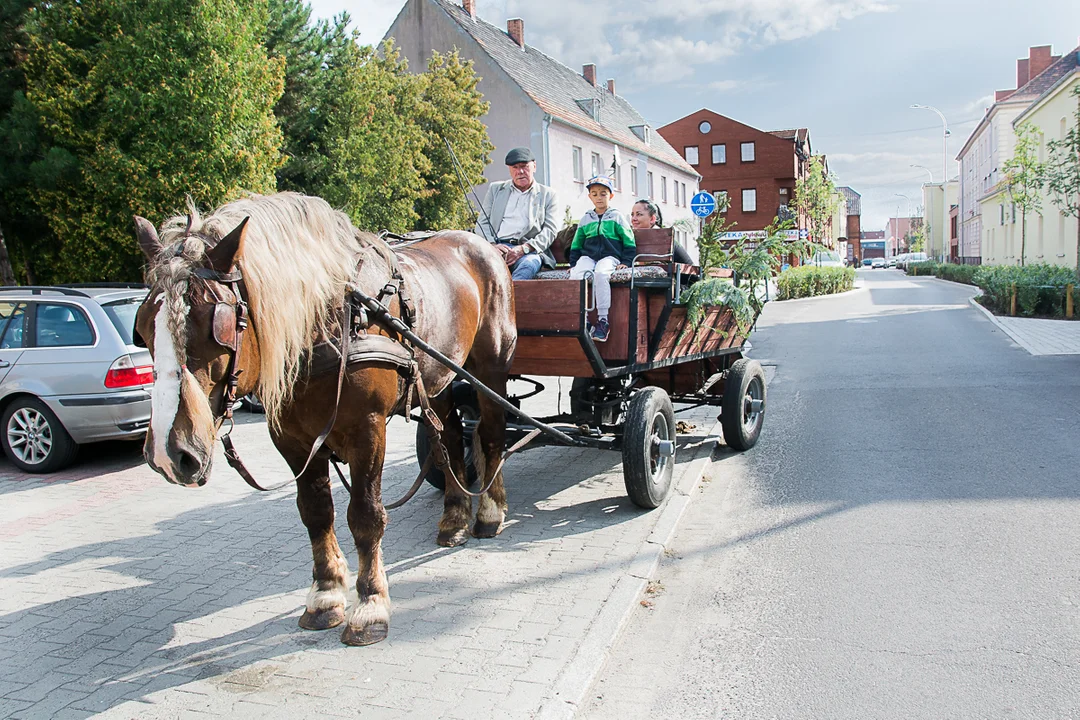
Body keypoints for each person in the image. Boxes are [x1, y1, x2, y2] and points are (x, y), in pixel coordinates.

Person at [474, 147, 560, 280]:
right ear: (509, 169)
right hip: (497, 247)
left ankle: (514, 299)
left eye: (524, 166)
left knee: (528, 265)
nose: (520, 172)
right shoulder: (495, 189)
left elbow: (550, 230)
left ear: (534, 166)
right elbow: (482, 222)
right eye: (515, 167)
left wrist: (524, 248)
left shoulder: (547, 194)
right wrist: (492, 245)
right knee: (479, 270)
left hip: (528, 251)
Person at [569, 176, 636, 343]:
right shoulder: (586, 218)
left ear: (611, 196)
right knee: (577, 275)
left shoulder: (617, 217)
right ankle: (582, 319)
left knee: (601, 273)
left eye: (603, 194)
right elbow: (577, 243)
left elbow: (629, 241)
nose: (599, 197)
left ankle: (603, 320)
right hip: (588, 256)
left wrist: (626, 262)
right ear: (590, 197)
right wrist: (573, 264)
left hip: (610, 256)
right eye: (595, 194)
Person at [630, 199, 693, 264]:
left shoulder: (661, 237)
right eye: (632, 215)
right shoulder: (634, 237)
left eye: (639, 214)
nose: (633, 219)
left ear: (652, 219)